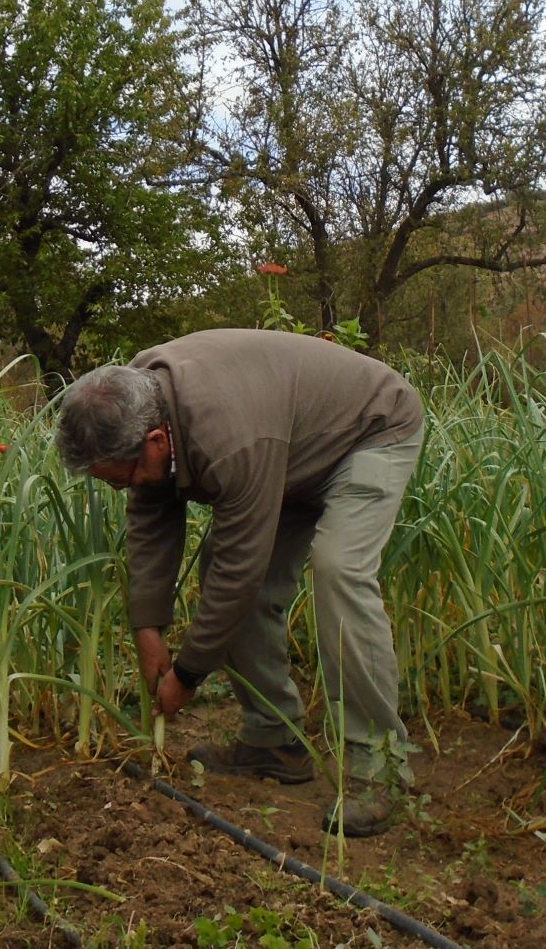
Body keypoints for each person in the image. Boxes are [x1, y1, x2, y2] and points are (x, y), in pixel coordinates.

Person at [54, 328, 424, 837]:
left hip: (369, 428)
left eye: (122, 477)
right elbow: (151, 514)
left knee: (339, 569)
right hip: (290, 449)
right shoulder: (139, 393)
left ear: (157, 441)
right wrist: (148, 627)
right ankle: (275, 740)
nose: (125, 488)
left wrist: (186, 675)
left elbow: (239, 572)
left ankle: (379, 765)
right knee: (224, 572)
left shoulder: (225, 437)